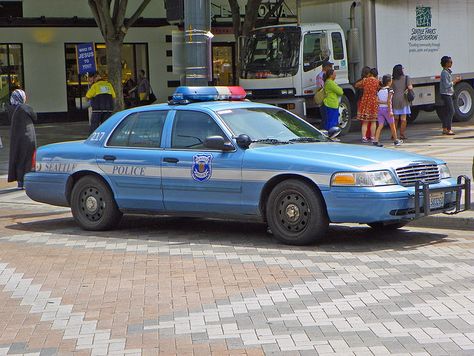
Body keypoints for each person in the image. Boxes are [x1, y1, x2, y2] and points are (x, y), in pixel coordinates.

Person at [6, 89, 37, 189]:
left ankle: (20, 182)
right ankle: (27, 180)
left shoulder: (11, 109)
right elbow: (35, 117)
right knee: (27, 159)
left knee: (18, 158)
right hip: (27, 138)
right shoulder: (25, 108)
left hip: (16, 138)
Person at [372, 75, 402, 147]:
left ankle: (376, 140)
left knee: (380, 125)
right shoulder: (390, 90)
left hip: (380, 109)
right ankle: (396, 140)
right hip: (387, 109)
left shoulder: (379, 90)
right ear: (389, 82)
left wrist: (383, 102)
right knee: (392, 125)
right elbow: (389, 101)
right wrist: (390, 111)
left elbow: (377, 101)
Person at [355, 67, 379, 143]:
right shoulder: (377, 81)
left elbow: (356, 85)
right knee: (373, 120)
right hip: (374, 101)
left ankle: (364, 137)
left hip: (365, 100)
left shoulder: (365, 80)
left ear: (370, 73)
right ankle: (372, 136)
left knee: (365, 121)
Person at [440, 56, 461, 135]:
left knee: (446, 111)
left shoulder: (447, 72)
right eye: (450, 62)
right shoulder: (445, 73)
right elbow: (446, 85)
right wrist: (455, 81)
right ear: (446, 63)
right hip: (446, 94)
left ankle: (445, 128)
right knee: (451, 111)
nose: (451, 63)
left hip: (447, 93)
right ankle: (448, 129)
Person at [391, 64, 413, 140]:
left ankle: (394, 134)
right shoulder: (406, 78)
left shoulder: (392, 80)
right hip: (404, 99)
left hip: (395, 99)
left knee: (395, 118)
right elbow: (410, 87)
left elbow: (391, 90)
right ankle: (402, 134)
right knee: (403, 119)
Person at [355, 66, 372, 140]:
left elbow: (356, 90)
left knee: (364, 120)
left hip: (360, 102)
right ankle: (370, 135)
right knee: (371, 119)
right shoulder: (371, 81)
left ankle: (365, 135)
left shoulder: (358, 82)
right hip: (369, 101)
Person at [315, 61, 333, 129]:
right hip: (324, 99)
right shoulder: (321, 76)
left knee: (326, 117)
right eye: (330, 66)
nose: (331, 68)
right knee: (326, 117)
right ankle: (324, 131)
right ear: (325, 67)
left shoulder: (323, 75)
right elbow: (322, 87)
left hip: (325, 99)